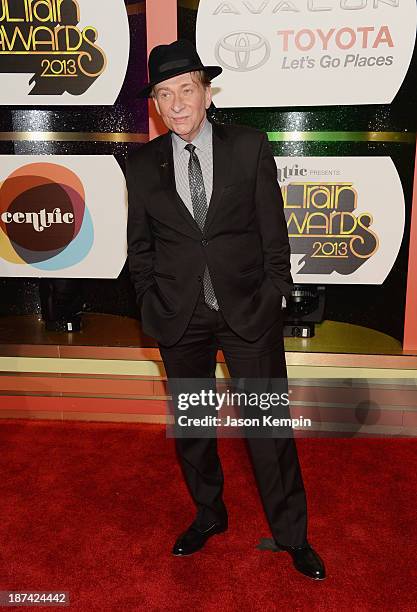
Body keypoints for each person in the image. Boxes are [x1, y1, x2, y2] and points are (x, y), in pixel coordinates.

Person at [126, 39, 325, 580]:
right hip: (178, 316)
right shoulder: (141, 165)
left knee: (267, 427)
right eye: (164, 95)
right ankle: (209, 514)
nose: (176, 104)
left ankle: (292, 535)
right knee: (193, 425)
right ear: (157, 105)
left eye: (186, 90)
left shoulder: (248, 146)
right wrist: (150, 301)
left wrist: (275, 292)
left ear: (207, 92)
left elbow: (273, 231)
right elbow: (139, 248)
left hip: (249, 313)